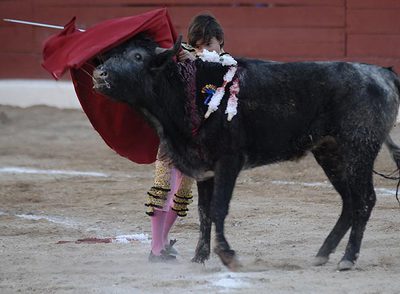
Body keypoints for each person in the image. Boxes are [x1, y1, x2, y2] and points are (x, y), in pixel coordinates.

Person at [145, 13, 226, 262]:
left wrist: (195, 61)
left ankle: (162, 242)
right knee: (163, 187)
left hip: (200, 143)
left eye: (208, 45)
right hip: (173, 136)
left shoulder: (226, 64)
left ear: (220, 42)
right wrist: (173, 58)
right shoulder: (182, 58)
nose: (202, 50)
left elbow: (219, 75)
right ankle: (157, 248)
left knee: (182, 194)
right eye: (198, 45)